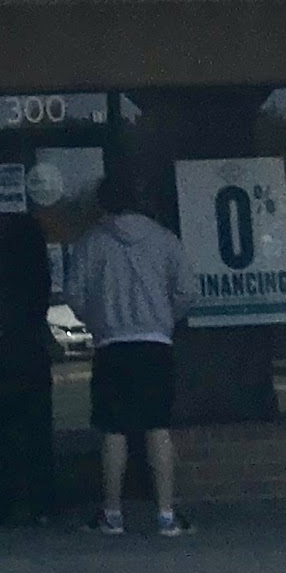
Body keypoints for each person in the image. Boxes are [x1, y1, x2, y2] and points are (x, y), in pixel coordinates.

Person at [65, 169, 192, 537]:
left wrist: (97, 320)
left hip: (112, 345)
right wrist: (165, 318)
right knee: (158, 427)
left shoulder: (92, 243)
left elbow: (74, 293)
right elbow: (187, 290)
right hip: (155, 343)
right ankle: (166, 514)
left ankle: (112, 513)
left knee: (113, 429)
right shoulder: (165, 240)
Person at [0, 213, 56, 525]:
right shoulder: (40, 276)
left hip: (4, 360)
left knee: (3, 434)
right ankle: (42, 503)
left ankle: (2, 505)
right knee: (38, 433)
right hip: (34, 355)